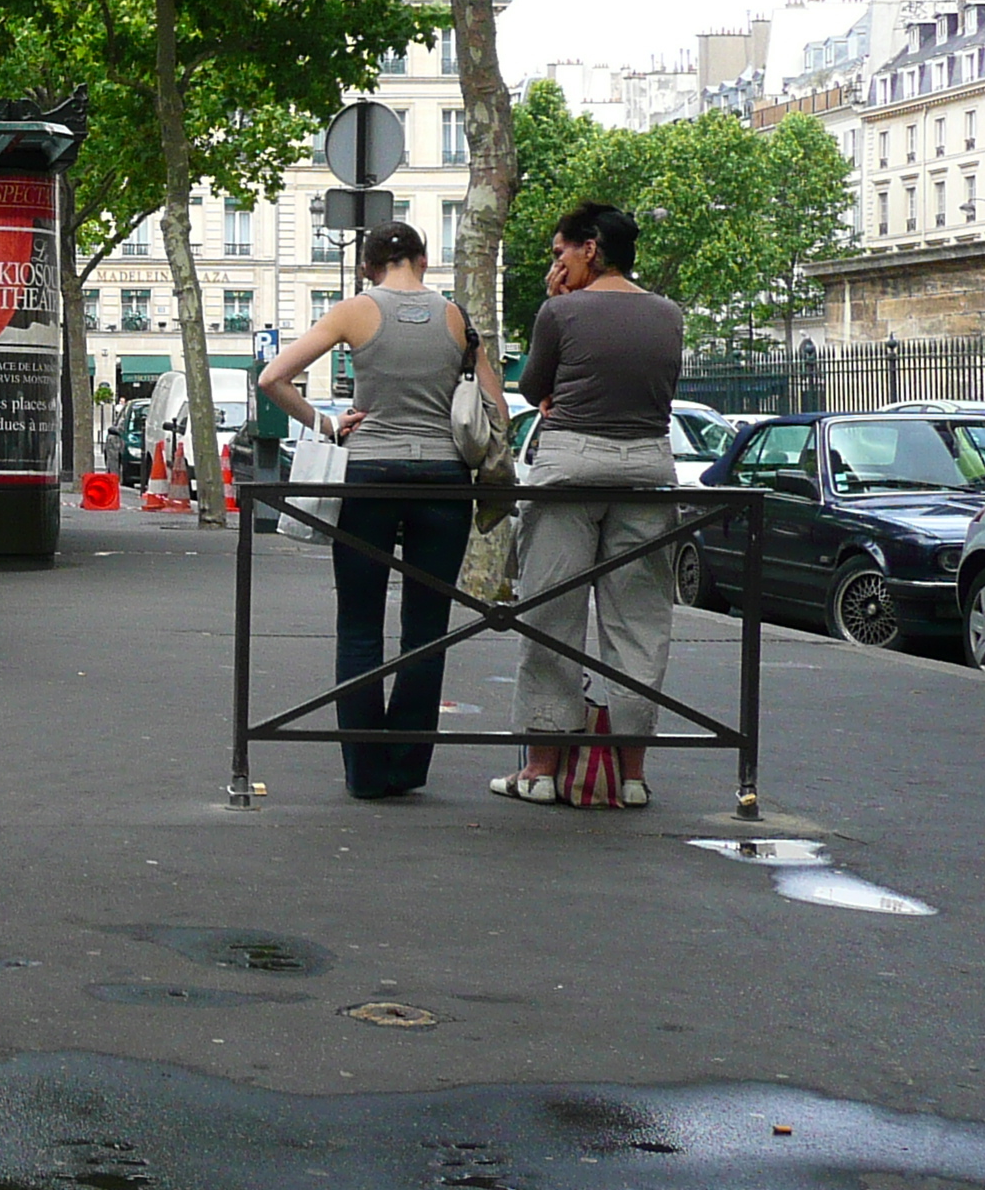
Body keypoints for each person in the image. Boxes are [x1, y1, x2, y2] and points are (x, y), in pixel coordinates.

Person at [258, 222, 508, 802]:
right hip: (444, 482)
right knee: (426, 631)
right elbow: (494, 406)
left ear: (370, 266)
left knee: (360, 624)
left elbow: (273, 377)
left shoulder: (354, 312)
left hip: (371, 476)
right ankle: (407, 767)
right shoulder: (457, 320)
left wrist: (326, 424)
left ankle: (365, 773)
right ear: (423, 259)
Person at [501, 202, 689, 809]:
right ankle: (630, 776)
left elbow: (534, 386)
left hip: (570, 468)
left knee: (550, 616)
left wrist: (549, 307)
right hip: (647, 467)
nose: (556, 263)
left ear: (590, 248)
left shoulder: (562, 310)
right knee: (638, 623)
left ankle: (540, 770)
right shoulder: (669, 315)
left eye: (560, 252)